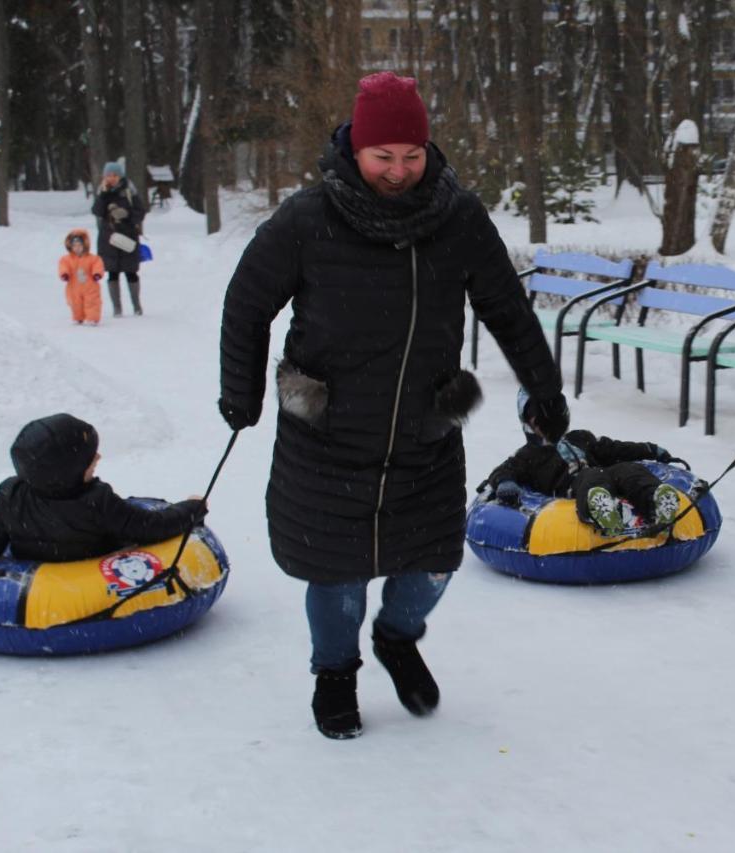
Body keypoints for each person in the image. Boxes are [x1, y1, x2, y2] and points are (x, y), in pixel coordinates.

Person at [217, 72, 568, 741]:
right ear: (355, 150)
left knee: (433, 561)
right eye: (384, 157)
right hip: (326, 430)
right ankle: (336, 674)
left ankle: (398, 636)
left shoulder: (458, 216)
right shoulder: (309, 217)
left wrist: (543, 392)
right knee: (337, 573)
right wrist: (242, 393)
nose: (399, 171)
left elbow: (507, 309)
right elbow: (247, 303)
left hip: (425, 428)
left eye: (411, 156)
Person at [0, 413, 206, 565]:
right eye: (90, 458)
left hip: (39, 578)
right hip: (90, 577)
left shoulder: (10, 497)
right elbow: (150, 527)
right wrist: (192, 508)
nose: (98, 457)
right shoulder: (98, 502)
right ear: (68, 469)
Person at [481, 389, 682, 536]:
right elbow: (504, 470)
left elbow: (614, 449)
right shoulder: (527, 456)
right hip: (572, 487)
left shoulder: (580, 437)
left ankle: (657, 502)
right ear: (529, 423)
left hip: (604, 476)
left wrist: (650, 449)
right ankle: (601, 510)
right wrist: (505, 483)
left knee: (628, 469)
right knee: (592, 477)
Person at [92, 161, 146, 317]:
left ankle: (136, 306)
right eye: (108, 175)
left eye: (114, 175)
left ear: (120, 176)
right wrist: (103, 195)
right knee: (112, 272)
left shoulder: (129, 190)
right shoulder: (102, 191)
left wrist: (127, 214)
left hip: (128, 236)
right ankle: (117, 308)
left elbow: (140, 211)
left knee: (131, 271)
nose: (111, 178)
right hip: (108, 239)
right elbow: (97, 211)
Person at [58, 228, 105, 326]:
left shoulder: (93, 258)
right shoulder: (66, 259)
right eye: (74, 246)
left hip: (90, 286)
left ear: (85, 245)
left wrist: (97, 274)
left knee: (92, 302)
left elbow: (98, 265)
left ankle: (92, 318)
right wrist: (64, 274)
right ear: (70, 246)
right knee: (75, 303)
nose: (77, 248)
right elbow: (63, 266)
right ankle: (78, 317)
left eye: (80, 245)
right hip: (74, 286)